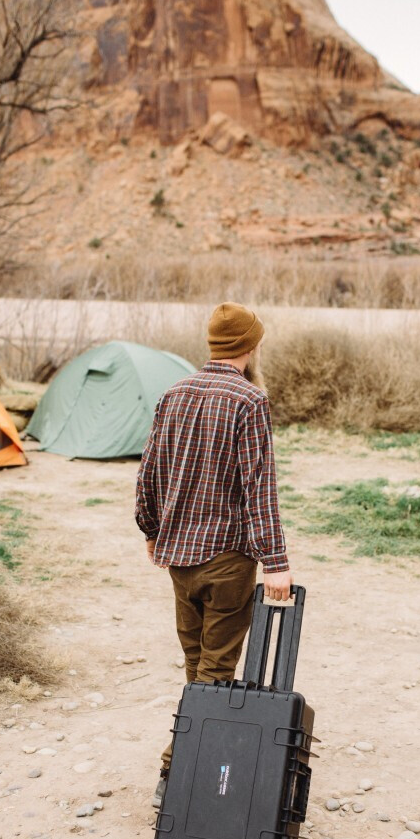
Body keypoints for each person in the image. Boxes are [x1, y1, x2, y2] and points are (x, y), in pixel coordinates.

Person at [135, 302, 292, 806]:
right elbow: (259, 489)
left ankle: (191, 759)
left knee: (198, 662)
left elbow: (148, 473)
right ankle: (177, 772)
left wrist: (151, 529)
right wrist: (276, 562)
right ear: (251, 345)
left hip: (178, 557)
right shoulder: (250, 402)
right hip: (227, 559)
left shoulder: (173, 393)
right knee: (215, 669)